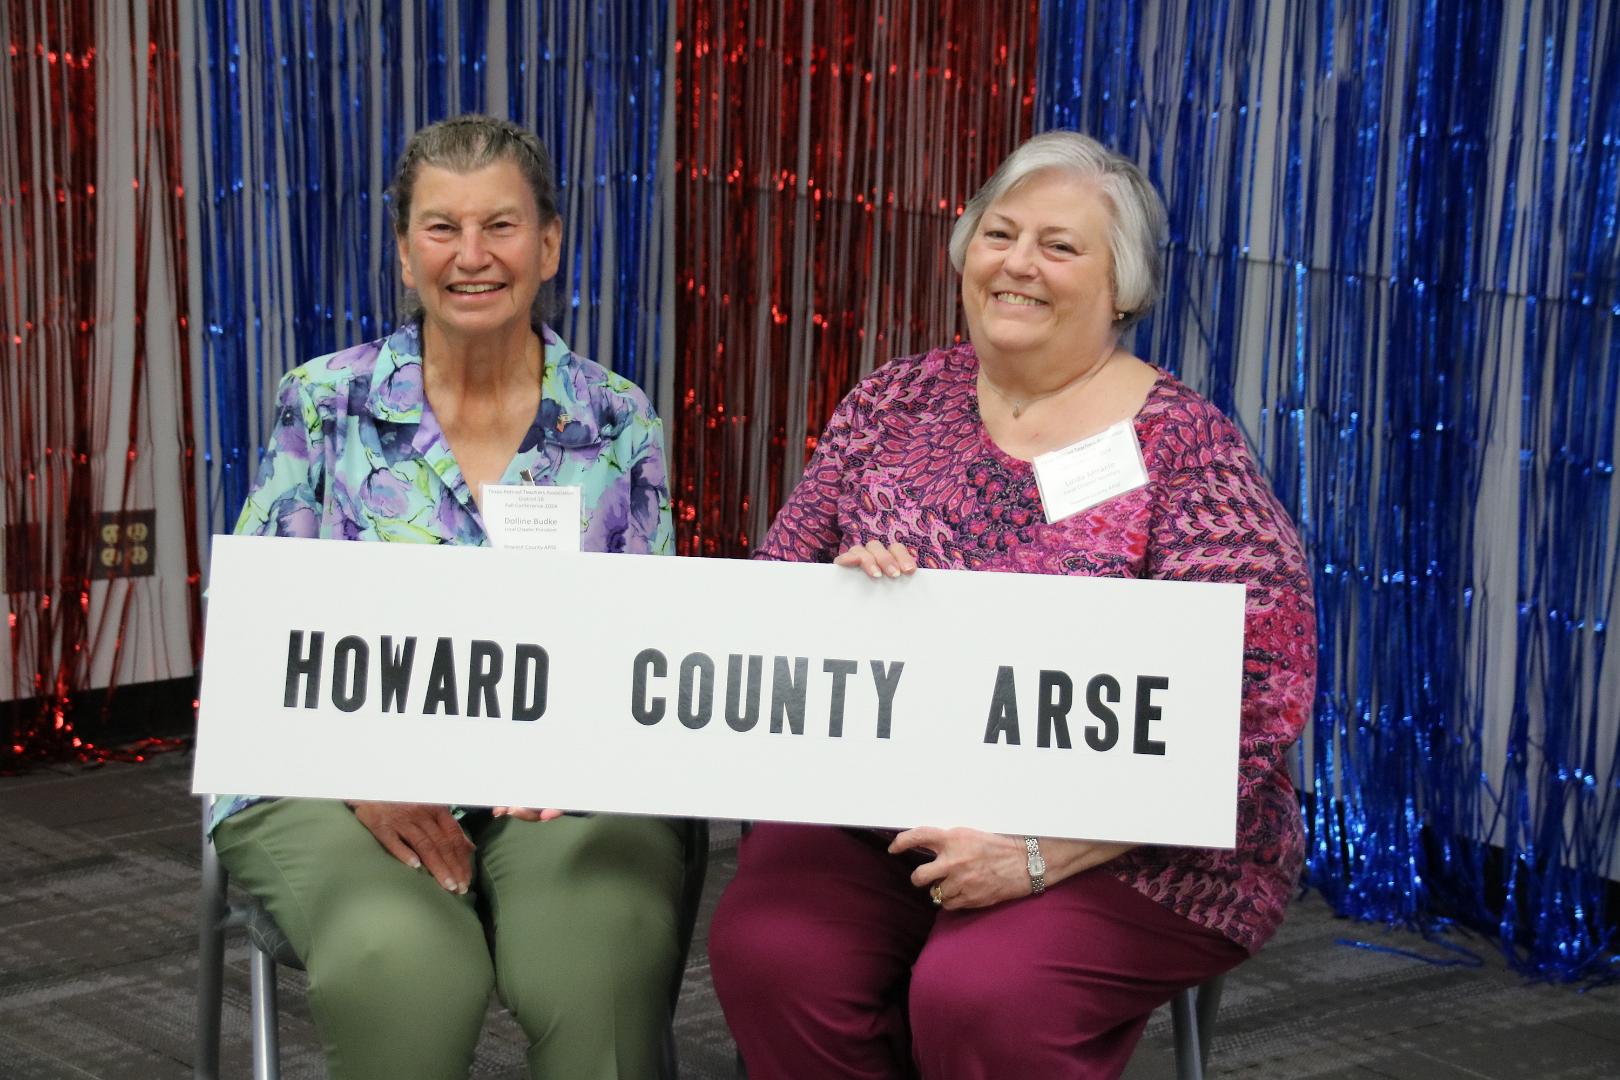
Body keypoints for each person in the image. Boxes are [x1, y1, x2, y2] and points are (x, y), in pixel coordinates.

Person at [707, 130, 1317, 1079]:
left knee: (981, 994)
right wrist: (840, 595)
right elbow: (774, 595)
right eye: (1000, 235)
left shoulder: (1186, 451)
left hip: (1124, 845)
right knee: (774, 952)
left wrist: (1040, 851)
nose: (1019, 263)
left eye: (1059, 246)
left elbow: (1257, 693)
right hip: (884, 808)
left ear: (1122, 288)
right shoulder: (894, 404)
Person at [208, 115, 684, 1080]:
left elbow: (650, 644)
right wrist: (358, 771)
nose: (472, 256)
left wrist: (589, 755)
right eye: (441, 228)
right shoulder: (323, 404)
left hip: (557, 784)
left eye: (500, 225)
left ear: (548, 245)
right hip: (329, 778)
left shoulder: (617, 418)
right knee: (406, 966)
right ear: (404, 252)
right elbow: (253, 635)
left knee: (598, 954)